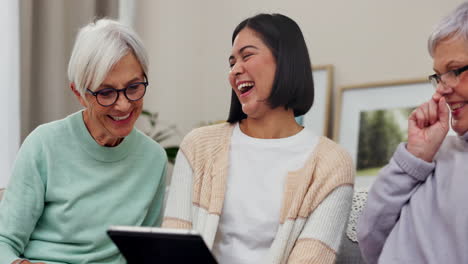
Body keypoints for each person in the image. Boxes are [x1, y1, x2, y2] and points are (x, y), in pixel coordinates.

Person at [163, 13, 354, 263]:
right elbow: (171, 249)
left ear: (285, 61)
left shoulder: (332, 164)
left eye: (247, 55)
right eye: (232, 62)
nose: (235, 70)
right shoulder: (198, 146)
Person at [0, 19, 167, 264]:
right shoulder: (44, 145)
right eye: (106, 93)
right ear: (80, 94)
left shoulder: (154, 159)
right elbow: (4, 242)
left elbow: (144, 254)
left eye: (133, 87)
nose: (123, 105)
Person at [357, 2, 468, 263]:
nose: (441, 89)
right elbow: (369, 237)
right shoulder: (433, 156)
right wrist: (413, 157)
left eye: (454, 71)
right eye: (439, 76)